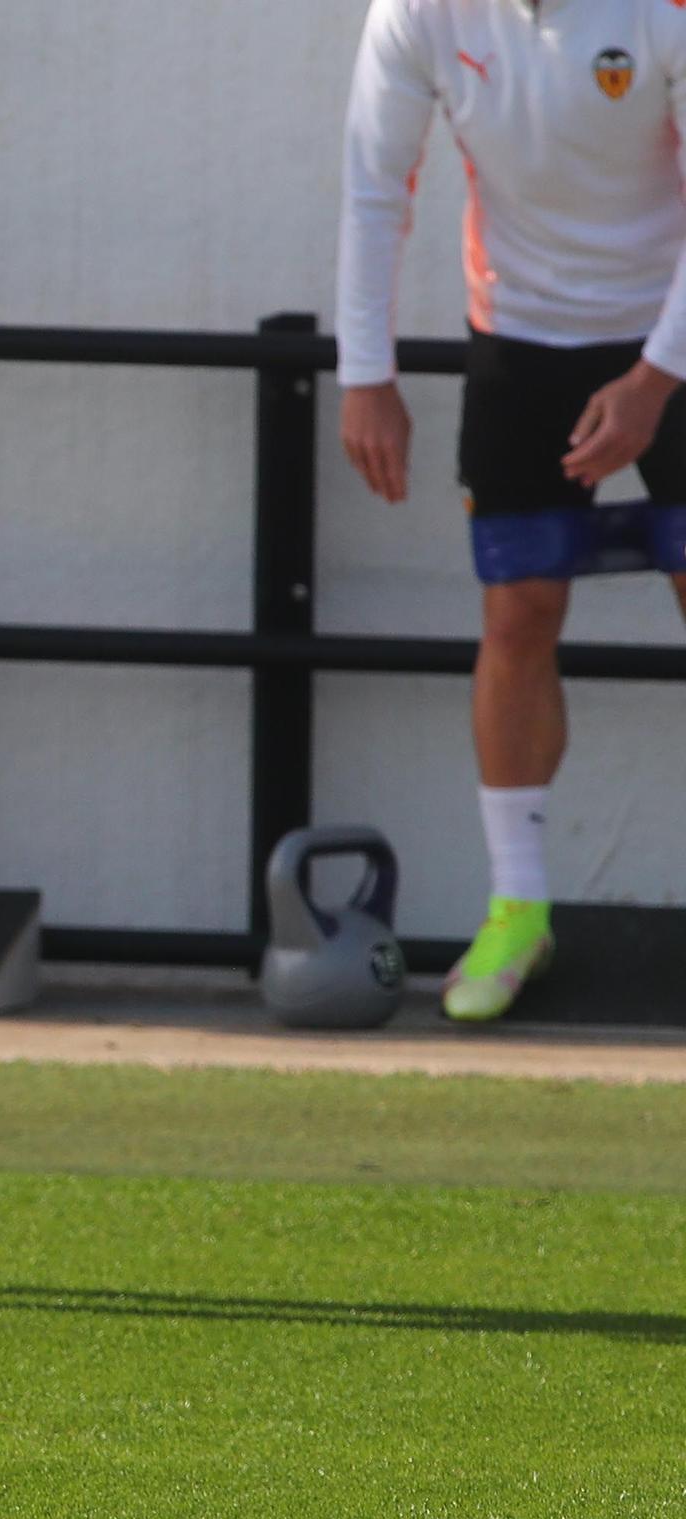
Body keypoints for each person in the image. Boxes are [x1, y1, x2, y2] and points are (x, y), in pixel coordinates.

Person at [337, 0, 686, 1021]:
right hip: (519, 337)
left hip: (670, 336)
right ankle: (517, 909)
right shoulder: (413, 12)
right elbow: (372, 187)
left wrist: (654, 381)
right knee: (516, 612)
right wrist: (366, 375)